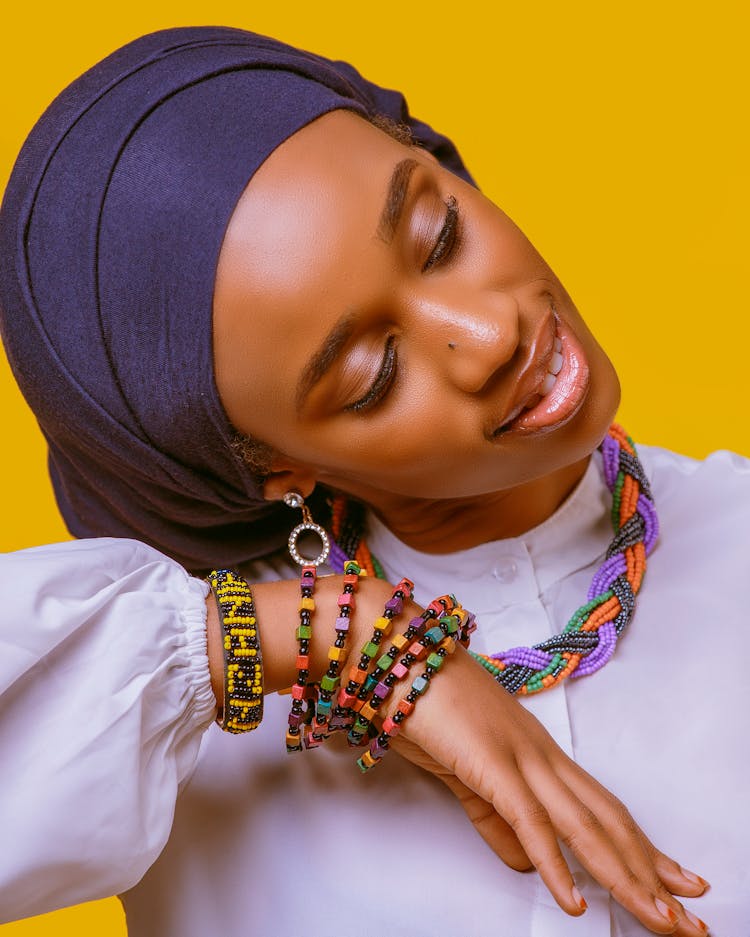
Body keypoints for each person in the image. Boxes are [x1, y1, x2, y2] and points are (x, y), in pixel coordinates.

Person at [0, 25, 747, 937]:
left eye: (441, 234)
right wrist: (329, 633)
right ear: (274, 466)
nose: (488, 333)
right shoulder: (176, 731)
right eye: (374, 376)